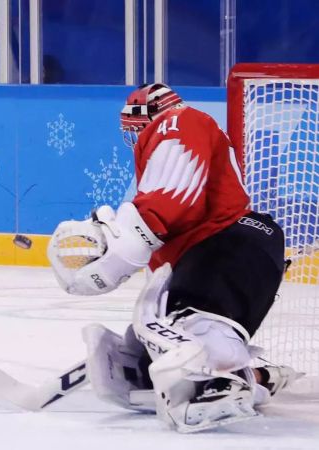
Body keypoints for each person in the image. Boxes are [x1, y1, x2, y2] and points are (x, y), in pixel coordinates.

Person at [47, 83, 299, 432]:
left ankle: (218, 384)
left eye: (136, 130)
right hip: (221, 253)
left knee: (193, 331)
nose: (137, 139)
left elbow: (167, 203)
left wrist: (116, 257)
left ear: (149, 120)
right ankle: (257, 377)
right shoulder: (170, 145)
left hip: (232, 244)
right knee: (157, 343)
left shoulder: (179, 122)